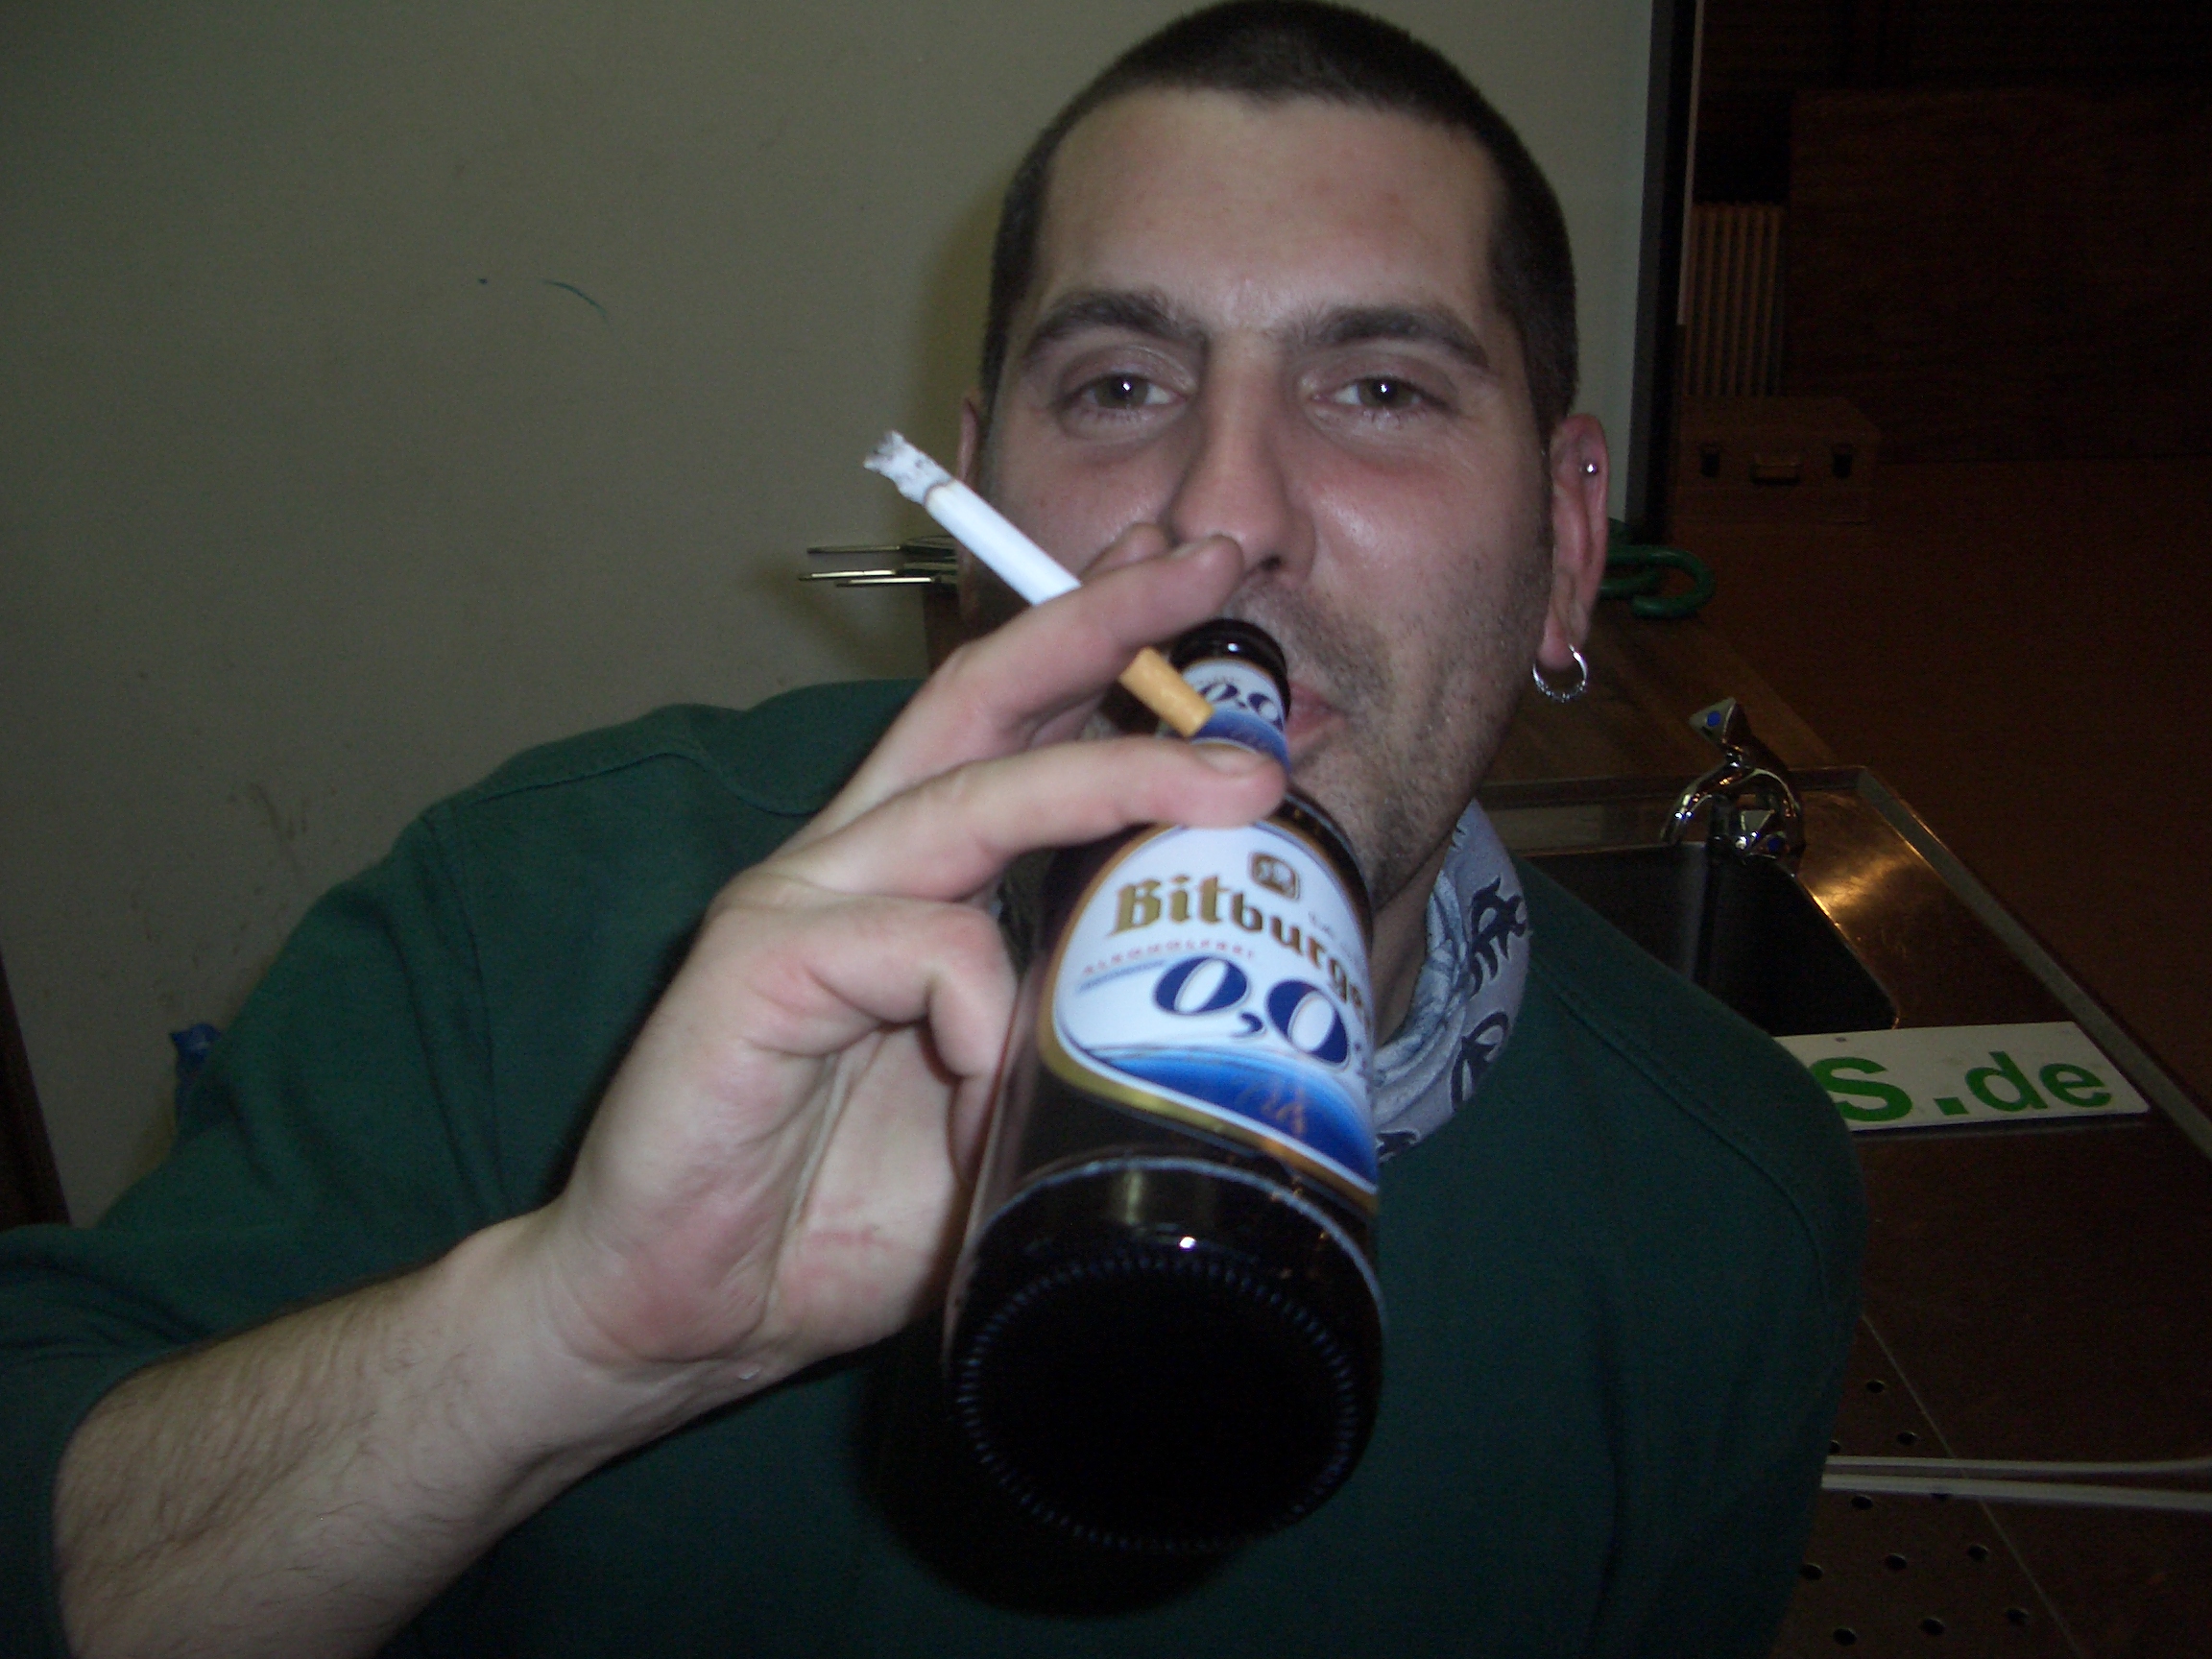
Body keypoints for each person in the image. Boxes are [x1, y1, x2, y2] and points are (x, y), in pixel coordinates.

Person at [0, 5, 1863, 1655]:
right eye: (1121, 386)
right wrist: (564, 1338)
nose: (1226, 518)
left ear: (1567, 534)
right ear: (975, 516)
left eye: (1380, 390)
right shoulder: (521, 920)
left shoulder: (1728, 1216)